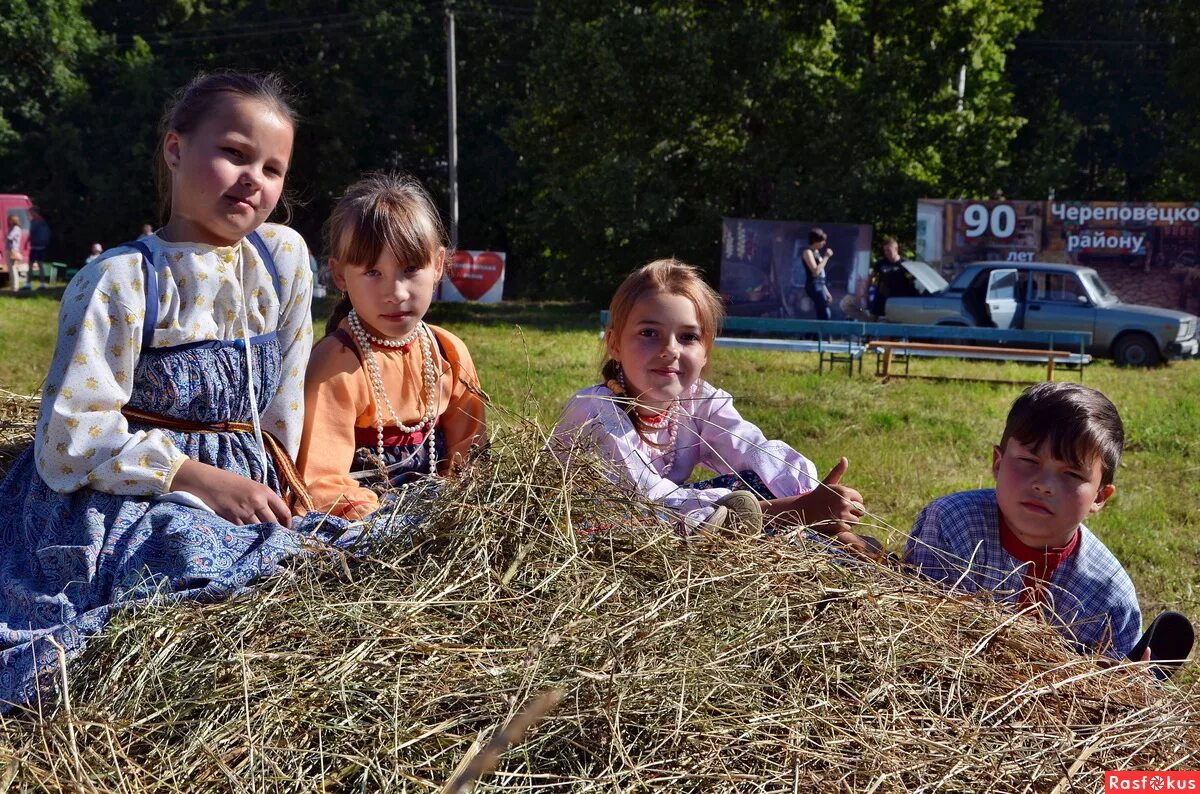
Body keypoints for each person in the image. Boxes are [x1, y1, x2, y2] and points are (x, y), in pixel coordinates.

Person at [0, 71, 343, 710]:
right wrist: (201, 481)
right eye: (234, 153)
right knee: (187, 560)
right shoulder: (120, 280)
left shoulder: (283, 259)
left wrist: (283, 487)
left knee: (326, 560)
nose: (254, 179)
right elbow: (69, 442)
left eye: (273, 168)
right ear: (176, 148)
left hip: (247, 481)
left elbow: (284, 401)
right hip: (129, 490)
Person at [552, 258, 873, 550]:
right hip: (589, 532)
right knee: (655, 522)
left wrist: (815, 500)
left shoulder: (698, 401)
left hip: (666, 522)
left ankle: (835, 546)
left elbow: (753, 450)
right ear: (614, 344)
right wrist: (793, 512)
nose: (669, 350)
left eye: (688, 337)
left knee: (755, 481)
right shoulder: (595, 411)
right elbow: (648, 501)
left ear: (706, 351)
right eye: (649, 333)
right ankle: (747, 526)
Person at [905, 383, 1193, 672]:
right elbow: (915, 627)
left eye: (1071, 473)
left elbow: (1109, 693)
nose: (1044, 485)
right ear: (998, 463)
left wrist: (1124, 689)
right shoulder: (952, 524)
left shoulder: (1110, 597)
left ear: (1099, 497)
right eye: (1029, 460)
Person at [298, 173, 486, 520]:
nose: (396, 292)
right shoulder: (337, 364)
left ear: (438, 265)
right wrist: (390, 523)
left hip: (443, 521)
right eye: (373, 272)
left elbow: (470, 452)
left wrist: (454, 510)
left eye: (411, 268)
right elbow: (322, 482)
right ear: (340, 276)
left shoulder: (447, 352)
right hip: (366, 530)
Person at [867, 236, 917, 319]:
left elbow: (912, 281)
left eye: (889, 250)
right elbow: (872, 276)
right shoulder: (880, 263)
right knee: (872, 318)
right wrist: (867, 290)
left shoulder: (906, 264)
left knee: (896, 320)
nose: (886, 253)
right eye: (885, 251)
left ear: (896, 249)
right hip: (883, 296)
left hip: (899, 298)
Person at [801, 228, 834, 321]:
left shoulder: (817, 253)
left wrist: (826, 291)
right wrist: (826, 257)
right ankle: (814, 334)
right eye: (822, 241)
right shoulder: (807, 252)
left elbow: (821, 276)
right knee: (825, 313)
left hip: (820, 285)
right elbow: (815, 272)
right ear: (815, 240)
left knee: (822, 313)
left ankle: (813, 335)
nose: (824, 243)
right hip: (813, 285)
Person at [29, 207, 50, 281]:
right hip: (41, 246)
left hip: (36, 245)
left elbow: (31, 231)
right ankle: (42, 283)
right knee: (40, 265)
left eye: (31, 212)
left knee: (31, 265)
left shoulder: (35, 221)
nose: (30, 214)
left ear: (35, 212)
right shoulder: (43, 221)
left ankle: (28, 284)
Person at [6, 214, 23, 292]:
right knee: (11, 268)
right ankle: (13, 286)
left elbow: (9, 237)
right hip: (10, 250)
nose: (8, 221)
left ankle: (15, 287)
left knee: (13, 268)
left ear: (13, 220)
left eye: (10, 220)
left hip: (12, 250)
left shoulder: (16, 228)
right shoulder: (13, 228)